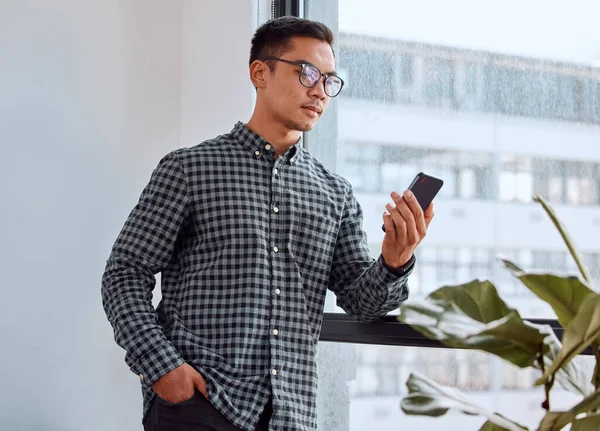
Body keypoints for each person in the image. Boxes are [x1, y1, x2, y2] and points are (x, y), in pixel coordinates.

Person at [101, 16, 434, 431]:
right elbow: (123, 275)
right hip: (201, 405)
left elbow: (361, 302)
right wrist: (163, 369)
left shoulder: (335, 193)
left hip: (290, 416)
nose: (320, 90)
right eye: (307, 72)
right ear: (260, 72)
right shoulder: (189, 169)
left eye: (330, 80)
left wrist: (395, 259)